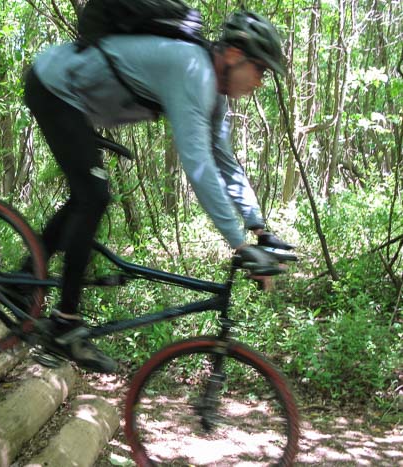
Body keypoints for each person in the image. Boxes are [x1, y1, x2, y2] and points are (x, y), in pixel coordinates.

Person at [21, 11, 293, 373]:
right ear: (233, 56)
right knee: (94, 195)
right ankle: (64, 323)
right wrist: (239, 245)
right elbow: (198, 165)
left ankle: (23, 279)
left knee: (88, 195)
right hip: (54, 85)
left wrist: (259, 227)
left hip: (76, 100)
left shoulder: (214, 95)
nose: (260, 81)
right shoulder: (191, 70)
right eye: (259, 69)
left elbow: (225, 163)